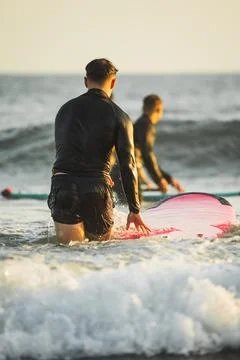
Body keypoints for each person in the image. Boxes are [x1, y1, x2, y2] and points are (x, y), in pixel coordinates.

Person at [48, 58, 150, 244]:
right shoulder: (120, 116)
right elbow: (128, 165)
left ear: (86, 81)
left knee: (68, 251)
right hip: (96, 190)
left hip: (63, 185)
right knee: (99, 252)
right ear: (113, 82)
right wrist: (134, 210)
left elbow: (66, 152)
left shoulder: (65, 110)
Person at [134, 94, 184, 197]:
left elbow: (147, 158)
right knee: (135, 208)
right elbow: (147, 155)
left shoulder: (139, 123)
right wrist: (159, 179)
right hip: (129, 173)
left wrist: (169, 179)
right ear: (158, 109)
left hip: (123, 171)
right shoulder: (147, 126)